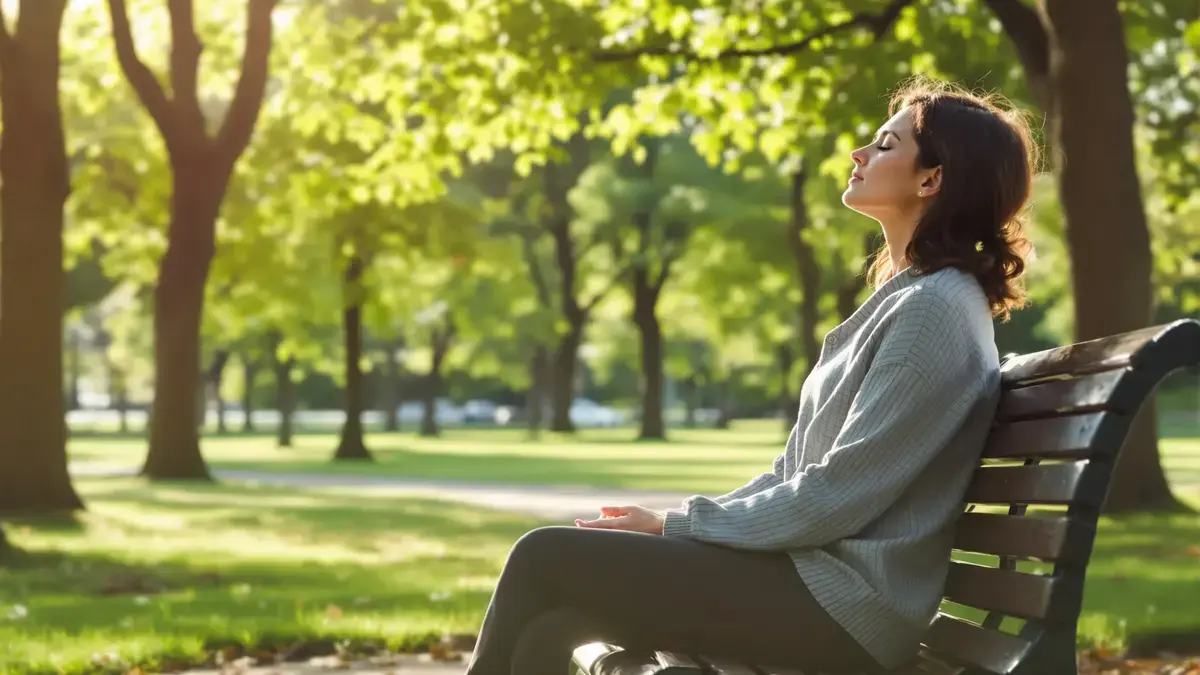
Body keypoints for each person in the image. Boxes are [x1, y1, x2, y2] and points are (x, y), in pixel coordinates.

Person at [465, 75, 1037, 675]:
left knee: (544, 556)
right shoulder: (911, 297)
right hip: (808, 586)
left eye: (886, 145)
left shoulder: (933, 310)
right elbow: (793, 475)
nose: (859, 154)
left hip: (843, 612)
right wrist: (683, 525)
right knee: (552, 629)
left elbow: (834, 496)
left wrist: (675, 523)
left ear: (932, 179)